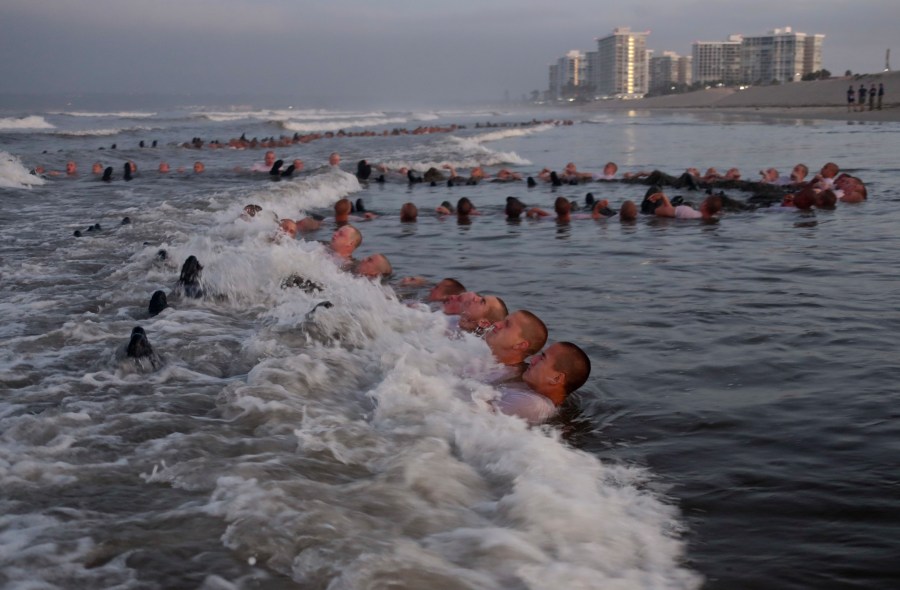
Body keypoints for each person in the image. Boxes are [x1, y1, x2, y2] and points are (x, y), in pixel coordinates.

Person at [492, 342, 591, 424]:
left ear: (556, 378)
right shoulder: (532, 393)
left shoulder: (531, 404)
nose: (533, 360)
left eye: (542, 358)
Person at [648, 192, 722, 219]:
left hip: (650, 211)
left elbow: (663, 210)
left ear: (705, 205)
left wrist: (663, 196)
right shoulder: (712, 216)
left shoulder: (687, 211)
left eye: (703, 201)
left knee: (655, 189)